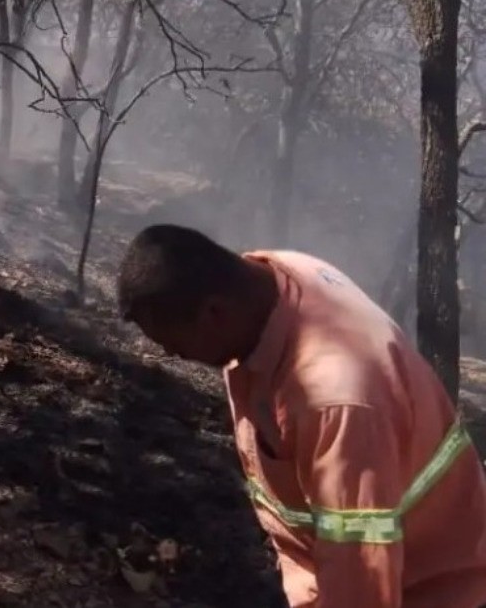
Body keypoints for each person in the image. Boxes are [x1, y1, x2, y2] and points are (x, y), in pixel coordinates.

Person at [116, 223, 486, 608]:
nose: (171, 356)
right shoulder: (278, 276)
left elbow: (361, 571)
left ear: (214, 313)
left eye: (174, 343)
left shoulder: (337, 402)